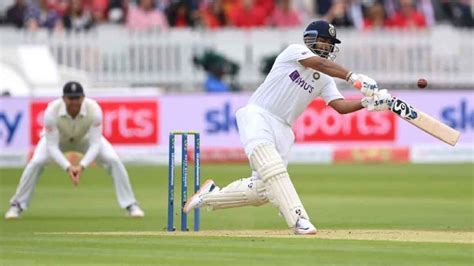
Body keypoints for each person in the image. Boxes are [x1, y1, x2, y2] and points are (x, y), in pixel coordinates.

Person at [183, 20, 392, 235]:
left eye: (330, 44)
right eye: (324, 41)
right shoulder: (295, 52)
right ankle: (299, 219)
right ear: (310, 39)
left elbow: (340, 106)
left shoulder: (326, 79)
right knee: (273, 168)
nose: (327, 47)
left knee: (263, 190)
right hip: (258, 115)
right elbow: (319, 64)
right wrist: (352, 77)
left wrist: (367, 103)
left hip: (283, 129)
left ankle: (209, 196)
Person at [5, 81, 145, 219]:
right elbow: (52, 146)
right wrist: (68, 167)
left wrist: (82, 166)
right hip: (58, 140)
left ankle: (130, 204)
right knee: (36, 162)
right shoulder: (51, 111)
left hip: (85, 139)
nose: (74, 102)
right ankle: (17, 205)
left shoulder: (94, 109)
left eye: (77, 98)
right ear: (64, 98)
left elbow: (95, 144)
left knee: (113, 160)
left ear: (83, 98)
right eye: (70, 98)